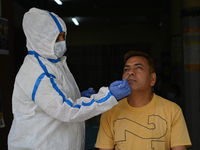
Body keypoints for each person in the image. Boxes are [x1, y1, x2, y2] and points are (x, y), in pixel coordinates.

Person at [7, 8, 131, 150]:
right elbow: (66, 110)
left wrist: (77, 97)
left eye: (63, 36)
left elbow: (56, 100)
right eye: (57, 37)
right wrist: (109, 96)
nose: (62, 42)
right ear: (40, 38)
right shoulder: (37, 72)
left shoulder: (54, 63)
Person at [95, 51, 192, 150]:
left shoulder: (172, 110)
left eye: (138, 68)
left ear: (152, 79)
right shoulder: (110, 112)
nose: (130, 72)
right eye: (126, 69)